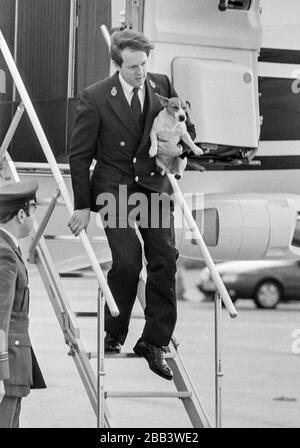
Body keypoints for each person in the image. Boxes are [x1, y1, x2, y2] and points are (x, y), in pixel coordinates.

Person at [68, 29, 201, 381]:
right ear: (117, 64)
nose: (141, 72)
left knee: (164, 257)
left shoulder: (161, 84)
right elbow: (79, 156)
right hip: (115, 187)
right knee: (127, 261)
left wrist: (181, 149)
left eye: (143, 64)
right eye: (132, 67)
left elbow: (190, 128)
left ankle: (154, 341)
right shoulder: (95, 97)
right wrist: (82, 204)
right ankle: (115, 331)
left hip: (152, 186)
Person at [0, 180, 46, 428]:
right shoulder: (4, 253)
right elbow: (0, 313)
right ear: (20, 214)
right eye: (33, 208)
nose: (34, 215)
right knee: (8, 414)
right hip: (10, 350)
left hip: (15, 347)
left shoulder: (8, 248)